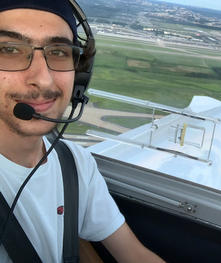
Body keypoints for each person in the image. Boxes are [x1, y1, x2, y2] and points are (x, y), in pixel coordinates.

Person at [0, 0, 165, 262]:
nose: (44, 79)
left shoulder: (75, 163)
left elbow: (133, 254)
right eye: (9, 49)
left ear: (81, 76)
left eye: (58, 52)